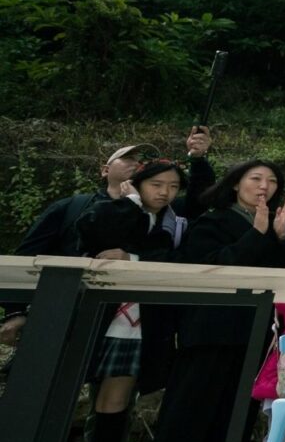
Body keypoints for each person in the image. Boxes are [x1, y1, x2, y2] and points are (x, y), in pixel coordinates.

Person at [120, 159, 285, 442]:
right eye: (255, 178)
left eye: (271, 181)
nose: (263, 186)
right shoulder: (213, 221)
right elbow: (215, 266)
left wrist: (282, 237)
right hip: (210, 329)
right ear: (236, 184)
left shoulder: (276, 224)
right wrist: (257, 234)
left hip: (255, 332)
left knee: (235, 414)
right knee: (187, 410)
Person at [4, 132, 213, 345]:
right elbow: (28, 255)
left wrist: (197, 158)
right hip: (69, 312)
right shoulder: (73, 207)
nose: (137, 163)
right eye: (129, 158)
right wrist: (15, 311)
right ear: (105, 170)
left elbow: (200, 198)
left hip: (139, 325)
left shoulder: (168, 214)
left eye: (143, 161)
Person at [68, 158, 191, 442]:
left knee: (114, 402)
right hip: (97, 318)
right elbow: (91, 230)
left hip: (137, 324)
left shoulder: (173, 224)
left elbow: (173, 259)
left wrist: (132, 257)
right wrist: (130, 204)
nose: (164, 192)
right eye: (156, 185)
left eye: (172, 186)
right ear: (139, 184)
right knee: (60, 402)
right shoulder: (116, 210)